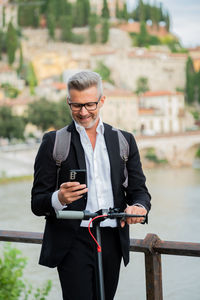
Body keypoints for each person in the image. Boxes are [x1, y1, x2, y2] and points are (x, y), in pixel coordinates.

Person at [31, 70, 151, 300]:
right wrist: (59, 198)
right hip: (72, 240)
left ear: (102, 101)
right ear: (68, 102)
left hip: (112, 239)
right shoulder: (53, 142)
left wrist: (138, 207)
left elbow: (140, 192)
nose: (83, 112)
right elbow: (37, 203)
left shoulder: (124, 140)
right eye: (76, 106)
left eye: (90, 104)